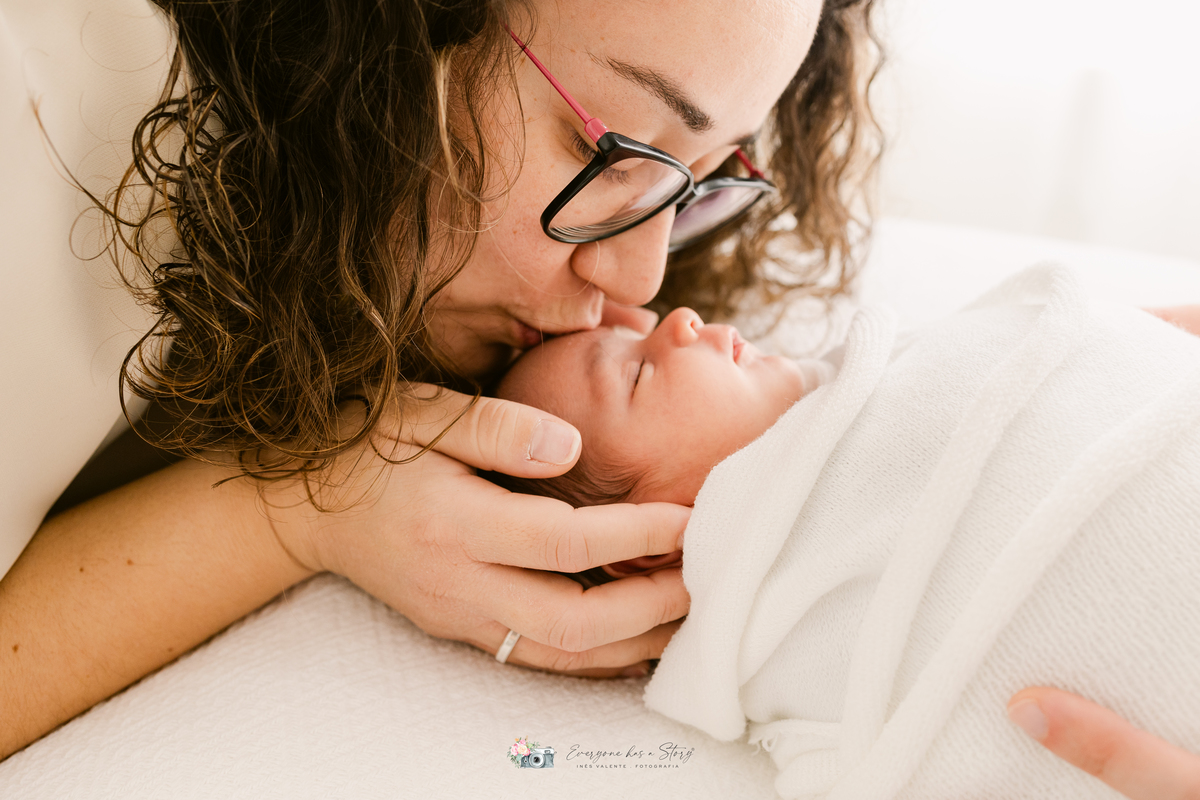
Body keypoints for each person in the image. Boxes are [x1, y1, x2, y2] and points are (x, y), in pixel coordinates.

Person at [0, 0, 1194, 795]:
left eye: (706, 178)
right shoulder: (41, 124)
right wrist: (288, 509)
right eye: (612, 146)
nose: (641, 278)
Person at [492, 268, 1200, 798]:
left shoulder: (889, 370)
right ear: (636, 542)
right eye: (639, 371)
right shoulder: (768, 632)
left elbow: (1046, 361)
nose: (677, 320)